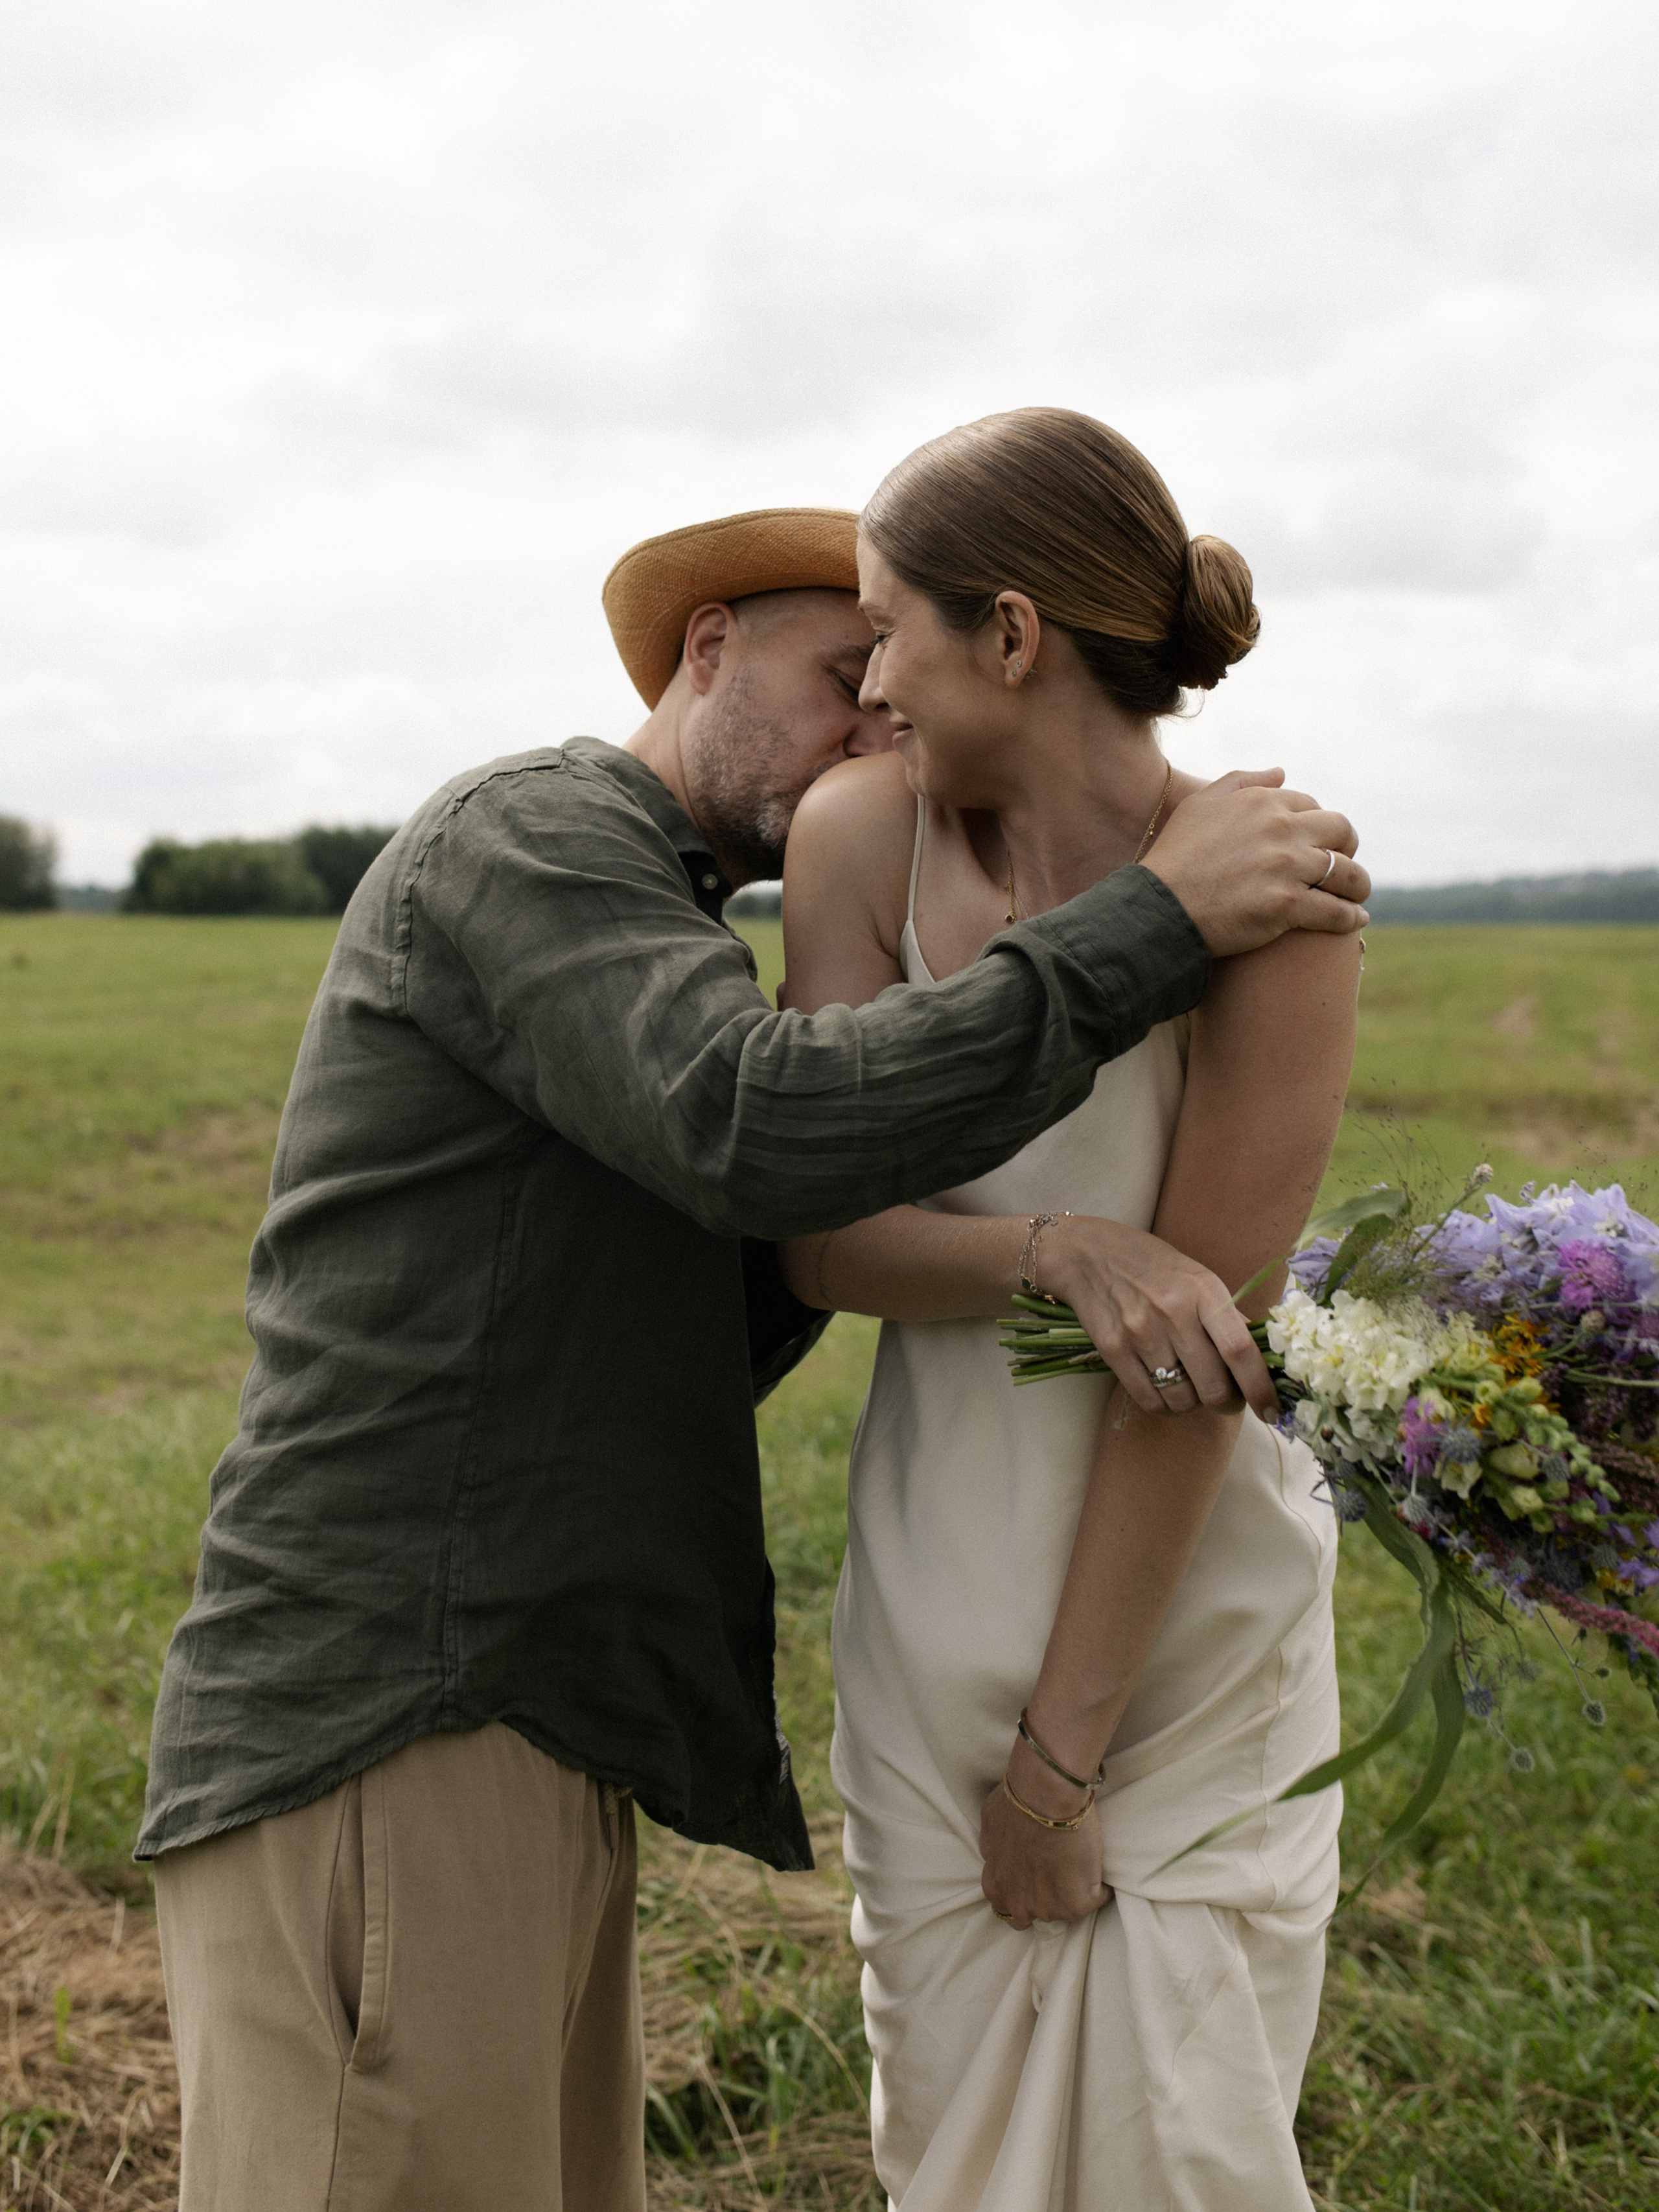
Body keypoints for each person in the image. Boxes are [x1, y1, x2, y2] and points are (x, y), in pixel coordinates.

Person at [137, 502, 1368, 2212]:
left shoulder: (664, 925)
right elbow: (758, 1132)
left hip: (517, 1702)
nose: (881, 725)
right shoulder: (537, 833)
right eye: (838, 675)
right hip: (394, 1699)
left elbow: (737, 1273)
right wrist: (1153, 932)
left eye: (893, 684)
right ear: (704, 651)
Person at [779, 411, 1360, 2210]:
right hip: (932, 1604)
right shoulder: (861, 837)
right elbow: (822, 1237)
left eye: (889, 629)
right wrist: (1054, 1252)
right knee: (948, 2156)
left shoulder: (1279, 891)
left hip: (1187, 1641)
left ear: (1012, 636)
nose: (868, 682)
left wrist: (1065, 1756)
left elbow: (1204, 1360)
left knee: (1185, 2157)